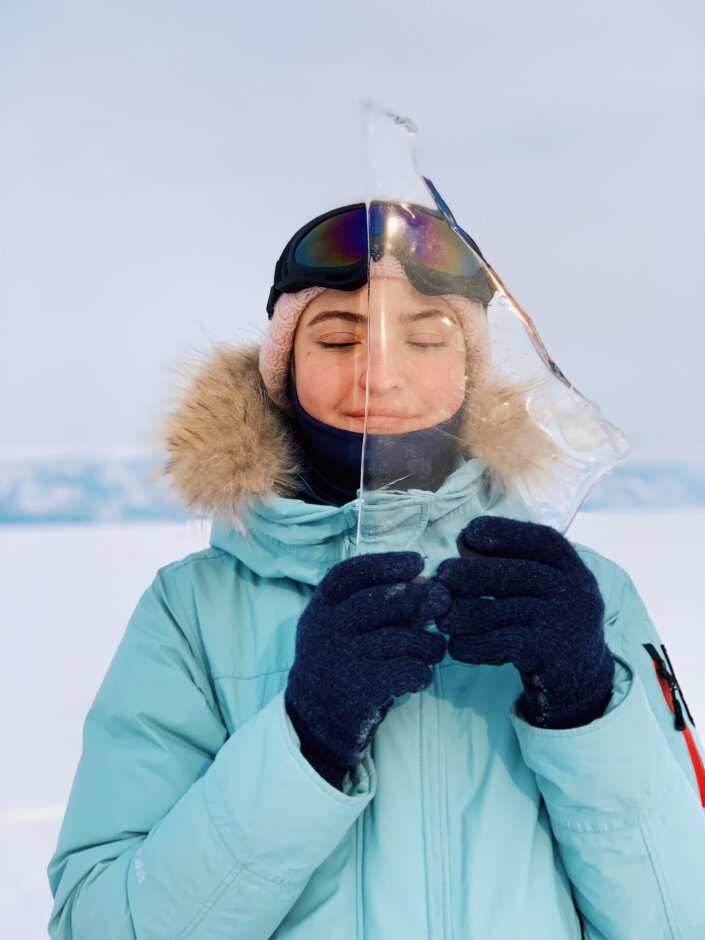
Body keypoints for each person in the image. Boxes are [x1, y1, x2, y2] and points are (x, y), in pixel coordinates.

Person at [48, 202, 705, 939]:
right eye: (337, 338)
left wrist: (587, 709)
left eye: (424, 338)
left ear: (470, 369)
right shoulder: (191, 612)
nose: (380, 375)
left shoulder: (586, 596)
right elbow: (97, 924)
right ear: (283, 369)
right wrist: (305, 740)